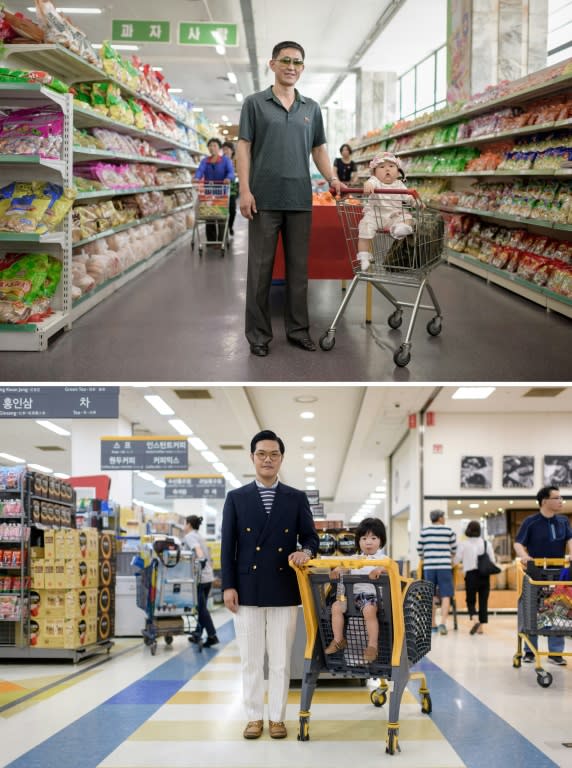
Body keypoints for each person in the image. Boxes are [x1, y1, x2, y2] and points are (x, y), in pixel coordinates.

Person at [236, 40, 342, 357]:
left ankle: (298, 331)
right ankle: (258, 335)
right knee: (260, 271)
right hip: (263, 199)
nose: (291, 67)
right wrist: (244, 189)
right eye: (285, 60)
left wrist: (332, 177)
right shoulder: (255, 104)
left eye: (297, 62)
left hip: (299, 199)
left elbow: (319, 149)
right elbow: (243, 147)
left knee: (298, 272)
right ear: (272, 65)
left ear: (302, 68)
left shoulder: (311, 108)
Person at [221, 429, 319, 740]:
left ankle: (276, 717)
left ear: (281, 459)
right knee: (251, 659)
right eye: (261, 454)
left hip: (283, 587)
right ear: (252, 457)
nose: (267, 459)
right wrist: (228, 585)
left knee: (280, 660)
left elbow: (311, 537)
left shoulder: (296, 497)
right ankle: (253, 717)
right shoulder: (236, 498)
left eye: (273, 454)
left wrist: (305, 551)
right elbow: (228, 545)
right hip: (246, 589)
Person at [514, 485, 572, 665]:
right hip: (536, 572)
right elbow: (518, 543)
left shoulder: (563, 521)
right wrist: (525, 557)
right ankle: (530, 651)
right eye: (557, 498)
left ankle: (555, 653)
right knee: (532, 610)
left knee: (558, 609)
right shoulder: (530, 522)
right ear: (545, 501)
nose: (560, 501)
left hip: (558, 573)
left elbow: (570, 540)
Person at [325, 516, 387, 663]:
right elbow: (345, 567)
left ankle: (372, 645)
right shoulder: (355, 558)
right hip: (352, 596)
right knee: (336, 607)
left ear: (381, 541)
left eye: (373, 538)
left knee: (369, 611)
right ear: (358, 541)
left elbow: (388, 568)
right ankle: (339, 639)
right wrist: (338, 570)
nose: (369, 542)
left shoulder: (383, 559)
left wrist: (379, 569)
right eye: (364, 538)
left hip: (372, 597)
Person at [356, 152, 413, 272]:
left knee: (407, 216)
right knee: (365, 227)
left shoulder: (399, 184)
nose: (387, 169)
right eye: (382, 167)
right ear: (374, 173)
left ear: (398, 172)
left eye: (391, 166)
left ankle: (400, 228)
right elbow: (369, 183)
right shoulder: (375, 181)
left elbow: (408, 197)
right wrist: (368, 185)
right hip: (375, 216)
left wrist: (414, 200)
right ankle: (364, 257)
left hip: (392, 216)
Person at [417, 509, 457, 635]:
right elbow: (454, 550)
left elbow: (419, 550)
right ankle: (443, 624)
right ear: (440, 518)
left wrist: (428, 557)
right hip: (445, 567)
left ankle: (432, 624)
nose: (444, 519)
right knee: (446, 595)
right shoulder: (449, 531)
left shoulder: (424, 532)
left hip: (429, 567)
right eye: (443, 517)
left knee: (431, 594)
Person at [455, 520, 497, 635]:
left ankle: (475, 620)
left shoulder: (463, 544)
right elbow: (493, 561)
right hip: (484, 575)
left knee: (470, 600)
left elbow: (456, 560)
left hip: (470, 575)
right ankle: (481, 627)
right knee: (483, 601)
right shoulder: (486, 543)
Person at [182, 514, 218, 647]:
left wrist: (200, 560)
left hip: (200, 578)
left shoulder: (190, 536)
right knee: (201, 606)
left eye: (184, 523)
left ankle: (212, 635)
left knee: (201, 608)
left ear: (189, 524)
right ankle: (197, 634)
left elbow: (198, 551)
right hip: (208, 576)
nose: (183, 526)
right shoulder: (198, 535)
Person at [194, 137, 235, 243]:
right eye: (210, 146)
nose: (212, 148)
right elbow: (200, 170)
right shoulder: (205, 161)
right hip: (209, 193)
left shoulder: (225, 160)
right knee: (209, 216)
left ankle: (222, 241)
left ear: (219, 148)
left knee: (221, 216)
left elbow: (231, 172)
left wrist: (228, 178)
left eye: (214, 145)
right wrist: (196, 178)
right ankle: (211, 241)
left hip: (221, 192)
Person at [222, 140, 238, 235]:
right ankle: (223, 231)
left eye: (227, 149)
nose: (225, 151)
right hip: (222, 191)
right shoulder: (220, 161)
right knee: (222, 211)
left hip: (232, 190)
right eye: (223, 149)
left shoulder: (234, 161)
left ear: (232, 150)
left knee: (233, 211)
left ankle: (230, 226)